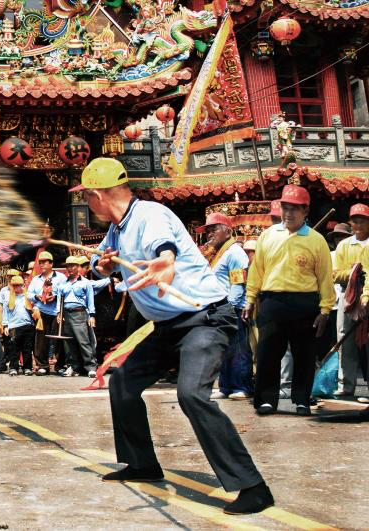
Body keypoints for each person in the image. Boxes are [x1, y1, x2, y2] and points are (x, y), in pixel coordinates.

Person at [80, 157, 271, 515]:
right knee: (123, 383)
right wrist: (102, 264)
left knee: (191, 395)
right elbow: (103, 259)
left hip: (204, 320)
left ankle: (253, 487)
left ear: (97, 196)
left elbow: (163, 247)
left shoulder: (149, 216)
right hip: (166, 327)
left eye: (87, 198)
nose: (88, 205)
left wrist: (166, 262)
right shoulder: (119, 227)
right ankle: (142, 464)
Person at [245, 184, 335, 416]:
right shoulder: (268, 236)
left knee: (304, 354)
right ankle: (266, 399)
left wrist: (325, 310)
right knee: (268, 353)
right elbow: (257, 270)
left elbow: (325, 276)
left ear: (305, 211)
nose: (289, 213)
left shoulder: (317, 241)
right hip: (272, 302)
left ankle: (302, 400)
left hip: (305, 304)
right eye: (285, 207)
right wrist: (250, 298)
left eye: (295, 208)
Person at [198, 213, 253, 401]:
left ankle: (241, 386)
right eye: (207, 231)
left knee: (238, 348)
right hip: (218, 308)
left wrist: (229, 307)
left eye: (214, 229)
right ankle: (226, 385)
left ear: (228, 231)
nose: (209, 234)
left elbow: (238, 283)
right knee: (223, 349)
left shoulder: (235, 252)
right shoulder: (219, 253)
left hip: (231, 308)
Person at [335, 206, 369, 402]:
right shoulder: (344, 246)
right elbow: (336, 273)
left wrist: (366, 297)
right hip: (347, 299)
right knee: (344, 340)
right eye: (354, 221)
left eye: (362, 220)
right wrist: (353, 273)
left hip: (367, 298)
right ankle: (346, 385)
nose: (358, 225)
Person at [56, 255, 97, 378]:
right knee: (68, 342)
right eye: (68, 266)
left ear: (78, 267)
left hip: (80, 313)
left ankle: (90, 367)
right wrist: (59, 313)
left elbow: (90, 300)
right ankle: (73, 367)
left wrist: (92, 316)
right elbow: (59, 300)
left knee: (83, 341)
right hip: (66, 314)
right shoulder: (62, 284)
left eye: (73, 265)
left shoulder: (85, 283)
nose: (70, 268)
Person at [27, 252, 66, 375]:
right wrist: (37, 297)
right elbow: (28, 294)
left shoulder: (61, 277)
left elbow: (65, 292)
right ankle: (42, 365)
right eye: (40, 262)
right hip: (41, 312)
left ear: (51, 264)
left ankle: (60, 365)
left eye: (45, 262)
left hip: (56, 312)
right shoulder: (35, 279)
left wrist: (55, 297)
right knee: (40, 340)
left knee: (59, 339)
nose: (42, 264)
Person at [2, 275, 35, 375]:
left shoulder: (28, 296)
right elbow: (5, 312)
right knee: (14, 349)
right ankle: (13, 368)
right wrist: (5, 325)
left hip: (28, 325)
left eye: (18, 285)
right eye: (14, 285)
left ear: (23, 285)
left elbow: (35, 307)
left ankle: (27, 368)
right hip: (14, 326)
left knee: (27, 348)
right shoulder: (8, 297)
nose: (16, 287)